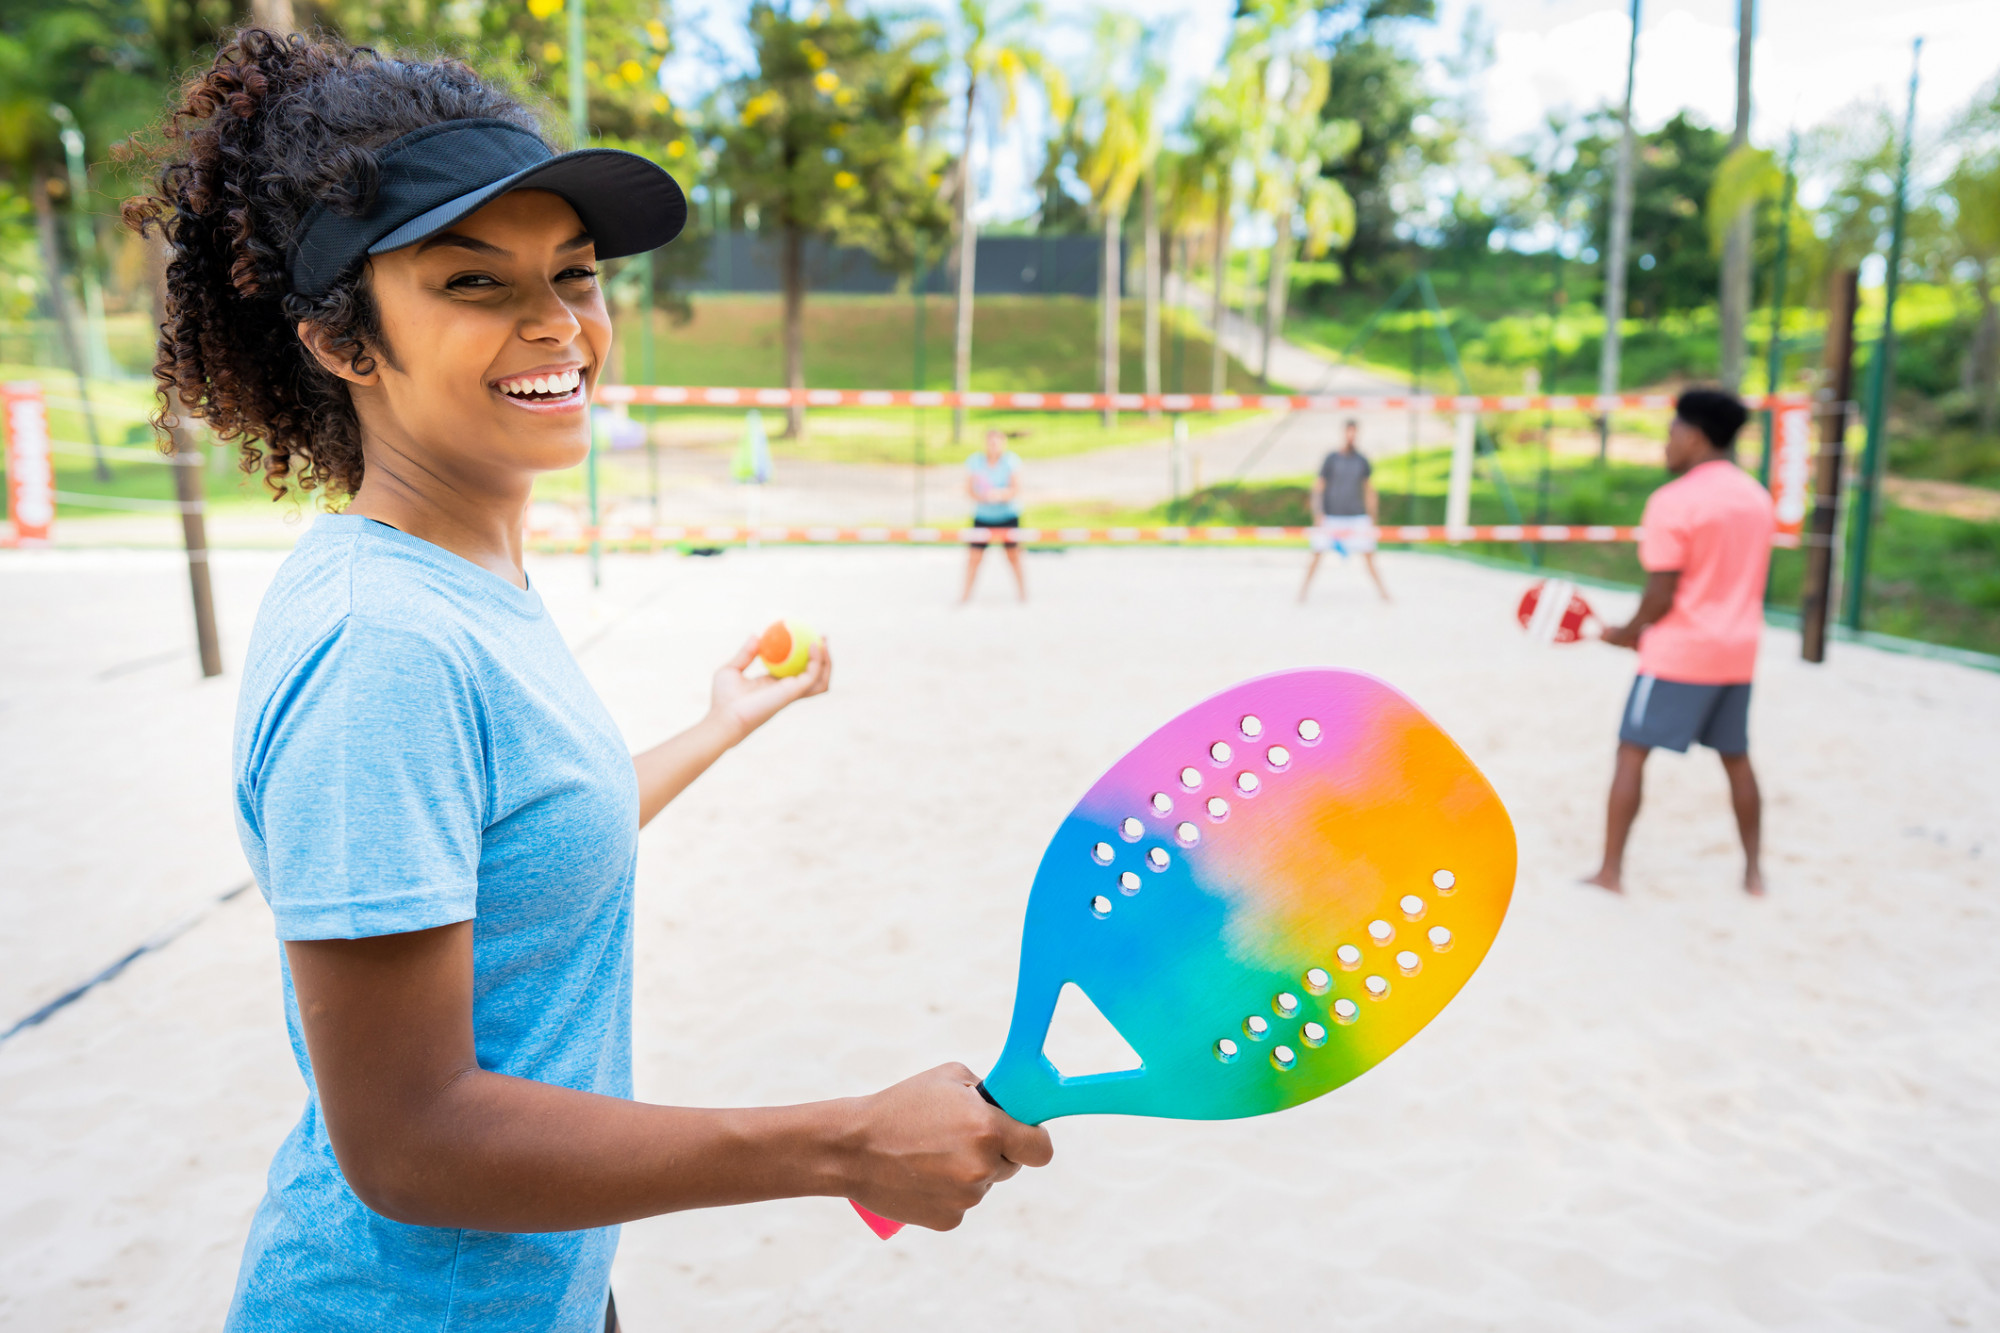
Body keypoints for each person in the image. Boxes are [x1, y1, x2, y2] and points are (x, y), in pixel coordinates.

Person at [128, 31, 1051, 1332]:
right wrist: (843, 1143)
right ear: (344, 342)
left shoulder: (462, 579)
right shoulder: (379, 645)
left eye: (574, 272)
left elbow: (512, 849)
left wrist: (713, 729)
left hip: (542, 1283)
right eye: (472, 281)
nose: (557, 320)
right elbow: (406, 1139)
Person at [1585, 387, 1774, 897]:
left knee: (1631, 753)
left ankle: (1609, 873)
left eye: (1670, 433)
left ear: (1692, 435)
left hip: (1680, 653)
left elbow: (1661, 595)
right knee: (1736, 758)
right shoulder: (1756, 498)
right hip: (1738, 652)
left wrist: (1625, 634)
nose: (1665, 445)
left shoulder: (1673, 501)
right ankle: (1753, 874)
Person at [1299, 419, 1390, 602]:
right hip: (1332, 517)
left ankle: (1383, 594)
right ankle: (1303, 593)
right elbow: (1318, 487)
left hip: (1356, 517)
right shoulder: (1331, 459)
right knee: (1316, 553)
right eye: (1349, 432)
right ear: (1344, 433)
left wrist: (1372, 516)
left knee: (1369, 556)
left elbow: (1369, 490)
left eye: (1354, 432)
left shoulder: (1361, 460)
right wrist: (1318, 513)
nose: (1351, 436)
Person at [961, 427, 1027, 603]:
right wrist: (982, 496)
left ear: (1003, 443)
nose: (994, 446)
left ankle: (1022, 595)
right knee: (974, 558)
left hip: (1007, 515)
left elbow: (1015, 489)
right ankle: (965, 596)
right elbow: (969, 489)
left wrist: (999, 495)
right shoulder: (975, 462)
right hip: (983, 516)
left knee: (1014, 557)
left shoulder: (1010, 461)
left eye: (997, 442)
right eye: (991, 442)